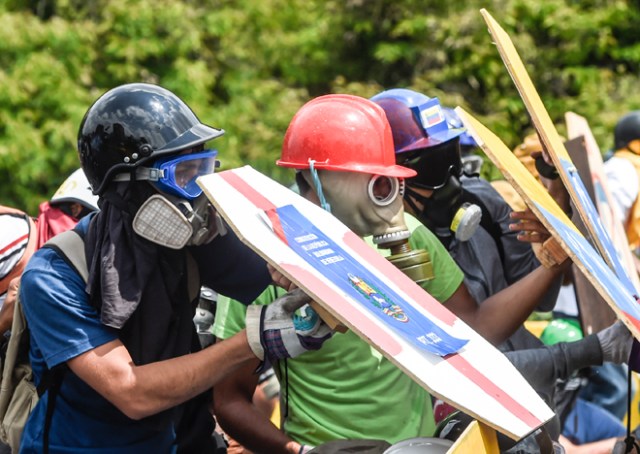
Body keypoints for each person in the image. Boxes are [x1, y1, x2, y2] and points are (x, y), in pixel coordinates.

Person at [212, 94, 590, 453]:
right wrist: (300, 451)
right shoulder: (265, 257)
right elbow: (228, 397)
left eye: (391, 181)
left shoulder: (411, 234)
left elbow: (476, 329)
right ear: (319, 178)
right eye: (376, 183)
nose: (389, 198)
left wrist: (554, 260)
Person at [18, 83, 332, 453]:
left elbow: (275, 275)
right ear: (127, 187)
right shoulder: (55, 274)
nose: (199, 190)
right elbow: (130, 392)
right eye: (184, 174)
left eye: (205, 168)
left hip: (185, 442)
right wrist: (254, 340)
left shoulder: (190, 243)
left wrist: (299, 278)